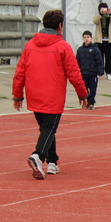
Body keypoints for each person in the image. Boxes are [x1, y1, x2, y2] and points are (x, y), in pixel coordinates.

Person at [12, 10, 89, 180]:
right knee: (49, 128)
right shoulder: (63, 46)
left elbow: (20, 71)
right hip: (53, 95)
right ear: (60, 26)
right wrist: (83, 93)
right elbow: (74, 72)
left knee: (46, 129)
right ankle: (38, 155)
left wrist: (18, 95)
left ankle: (52, 161)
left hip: (34, 93)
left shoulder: (30, 45)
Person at [76, 30, 104, 110]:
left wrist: (100, 73)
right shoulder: (80, 50)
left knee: (93, 89)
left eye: (88, 37)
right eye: (84, 37)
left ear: (91, 38)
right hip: (83, 73)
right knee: (84, 88)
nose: (86, 39)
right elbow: (77, 61)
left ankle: (91, 102)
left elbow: (99, 62)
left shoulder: (95, 50)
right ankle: (86, 101)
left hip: (92, 73)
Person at [93, 3, 111, 80]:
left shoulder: (109, 16)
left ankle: (109, 73)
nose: (103, 10)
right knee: (99, 57)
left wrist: (110, 13)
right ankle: (99, 72)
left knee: (108, 57)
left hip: (108, 40)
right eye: (102, 8)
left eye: (105, 8)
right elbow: (95, 21)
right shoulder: (98, 17)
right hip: (99, 40)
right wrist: (101, 14)